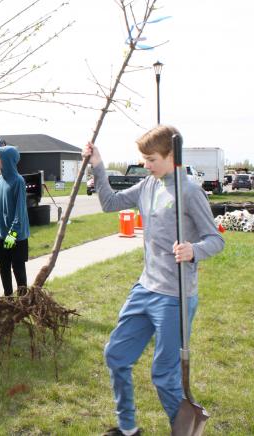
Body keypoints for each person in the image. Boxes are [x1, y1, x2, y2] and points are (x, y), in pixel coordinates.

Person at [83, 125, 224, 436]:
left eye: (150, 159)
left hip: (175, 297)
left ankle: (185, 431)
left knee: (164, 376)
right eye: (143, 159)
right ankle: (128, 428)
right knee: (116, 355)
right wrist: (98, 164)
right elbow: (109, 203)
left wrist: (193, 250)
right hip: (145, 288)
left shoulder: (189, 190)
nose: (145, 165)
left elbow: (216, 239)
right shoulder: (149, 185)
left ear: (171, 155)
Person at [0, 145, 30, 296]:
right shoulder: (0, 179)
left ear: (7, 160)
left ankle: (24, 301)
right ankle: (8, 299)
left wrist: (13, 233)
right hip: (2, 233)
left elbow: (20, 210)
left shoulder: (18, 181)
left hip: (16, 236)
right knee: (3, 267)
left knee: (18, 268)